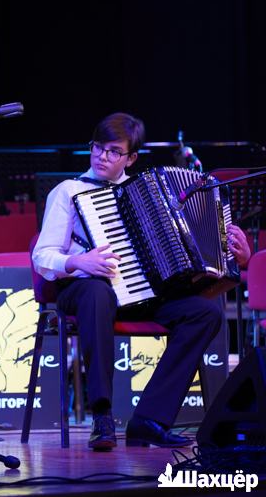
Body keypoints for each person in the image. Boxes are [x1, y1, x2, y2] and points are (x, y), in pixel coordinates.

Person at [32, 112, 251, 451]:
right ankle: (102, 415)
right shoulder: (68, 191)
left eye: (114, 151)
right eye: (98, 147)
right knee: (97, 292)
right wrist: (77, 261)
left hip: (143, 294)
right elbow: (42, 256)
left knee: (205, 313)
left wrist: (238, 258)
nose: (102, 156)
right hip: (83, 289)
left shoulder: (149, 193)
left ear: (131, 158)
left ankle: (149, 420)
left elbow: (189, 254)